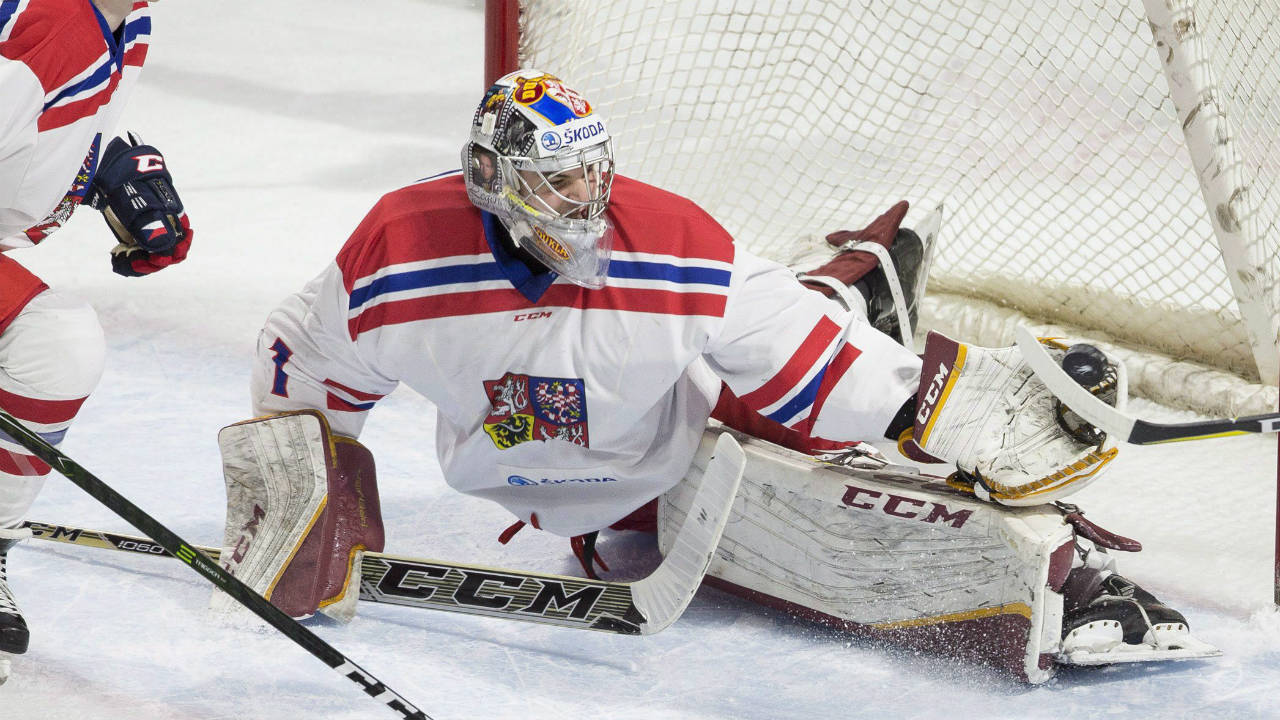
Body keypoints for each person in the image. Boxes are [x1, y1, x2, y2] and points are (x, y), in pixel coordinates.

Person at [216, 69, 1199, 668]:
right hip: (533, 426)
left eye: (593, 169)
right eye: (558, 177)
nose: (586, 195)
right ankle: (857, 281)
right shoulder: (401, 249)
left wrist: (951, 406)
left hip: (677, 395)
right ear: (494, 182)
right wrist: (303, 479)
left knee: (781, 403)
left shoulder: (668, 246)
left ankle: (863, 284)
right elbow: (301, 355)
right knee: (592, 486)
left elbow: (806, 364)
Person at [0, 0, 193, 683]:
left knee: (58, 349)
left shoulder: (125, 16)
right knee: (52, 338)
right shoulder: (42, 26)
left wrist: (100, 171)